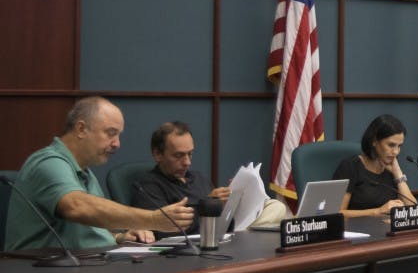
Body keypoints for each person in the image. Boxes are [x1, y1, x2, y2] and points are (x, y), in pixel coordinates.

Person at [5, 96, 194, 250]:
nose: (117, 143)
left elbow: (83, 232)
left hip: (84, 264)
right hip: (41, 272)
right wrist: (153, 219)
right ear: (81, 129)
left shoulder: (85, 172)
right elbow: (76, 207)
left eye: (119, 135)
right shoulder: (48, 162)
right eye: (110, 133)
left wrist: (120, 237)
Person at [129, 122, 288, 235]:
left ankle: (243, 237)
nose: (187, 162)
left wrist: (233, 198)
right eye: (178, 156)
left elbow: (221, 216)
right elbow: (163, 232)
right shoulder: (147, 185)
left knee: (276, 206)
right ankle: (244, 239)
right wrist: (208, 205)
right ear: (158, 154)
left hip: (223, 231)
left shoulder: (197, 177)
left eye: (190, 154)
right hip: (194, 243)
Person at [333, 114, 417, 217]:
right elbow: (337, 213)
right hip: (357, 230)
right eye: (391, 145)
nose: (396, 152)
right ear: (374, 141)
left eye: (399, 146)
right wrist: (378, 211)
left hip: (386, 230)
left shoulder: (392, 169)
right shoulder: (350, 166)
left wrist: (399, 176)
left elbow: (414, 210)